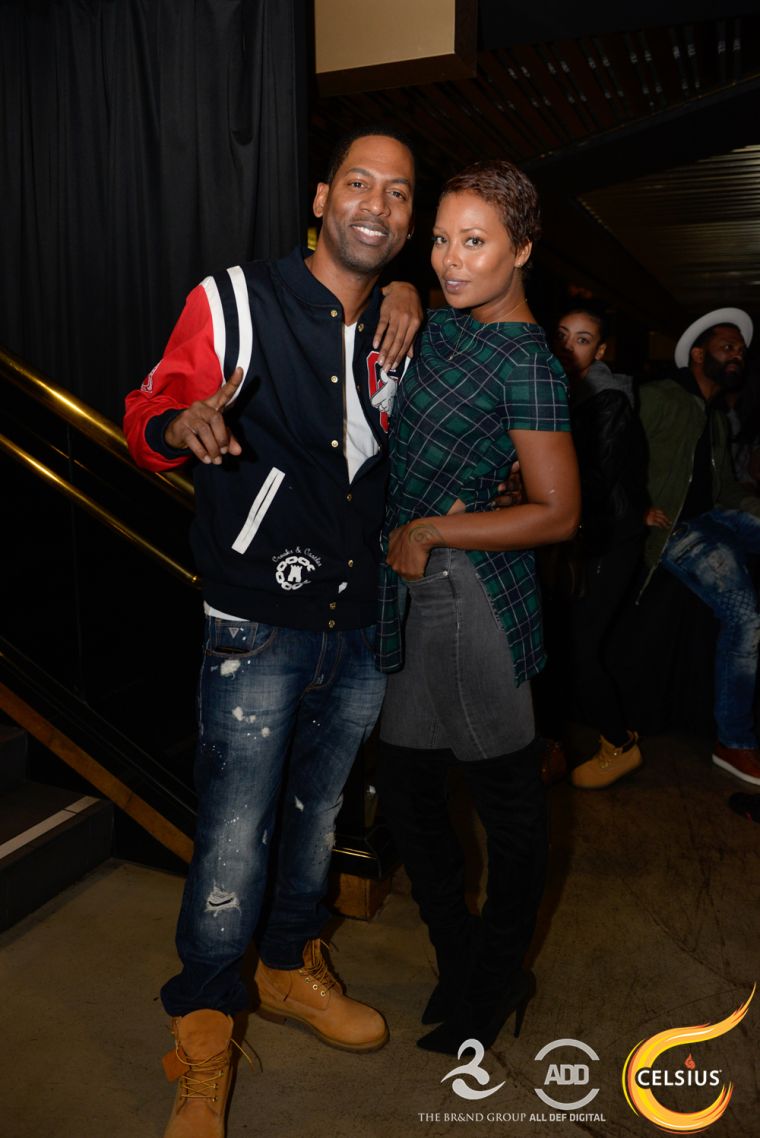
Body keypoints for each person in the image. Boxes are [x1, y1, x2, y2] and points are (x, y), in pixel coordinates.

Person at [123, 126, 422, 1138]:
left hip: (363, 613)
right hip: (255, 616)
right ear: (320, 195)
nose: (375, 204)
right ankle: (204, 1031)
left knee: (318, 814)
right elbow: (150, 408)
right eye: (358, 183)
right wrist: (180, 424)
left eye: (397, 191)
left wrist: (409, 299)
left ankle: (290, 964)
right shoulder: (235, 299)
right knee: (233, 836)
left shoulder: (399, 320)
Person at [375, 160, 580, 1056]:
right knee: (411, 794)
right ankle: (458, 957)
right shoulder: (453, 326)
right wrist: (408, 287)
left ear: (522, 250)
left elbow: (559, 511)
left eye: (476, 242)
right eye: (443, 240)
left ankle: (498, 979)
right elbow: (418, 298)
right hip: (415, 599)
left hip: (470, 602)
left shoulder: (530, 361)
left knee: (507, 804)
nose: (453, 260)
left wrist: (436, 533)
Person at [639, 307, 760, 786]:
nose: (737, 354)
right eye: (726, 346)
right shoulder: (658, 398)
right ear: (697, 354)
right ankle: (735, 740)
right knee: (746, 617)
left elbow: (727, 490)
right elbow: (611, 455)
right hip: (673, 528)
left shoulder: (714, 419)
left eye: (740, 350)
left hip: (710, 517)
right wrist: (636, 509)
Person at [551, 303, 648, 788]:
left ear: (601, 350)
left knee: (580, 648)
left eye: (583, 339)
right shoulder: (561, 389)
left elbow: (596, 477)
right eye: (564, 335)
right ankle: (557, 745)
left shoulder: (606, 399)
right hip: (579, 538)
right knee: (562, 643)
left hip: (609, 539)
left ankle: (620, 744)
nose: (570, 346)